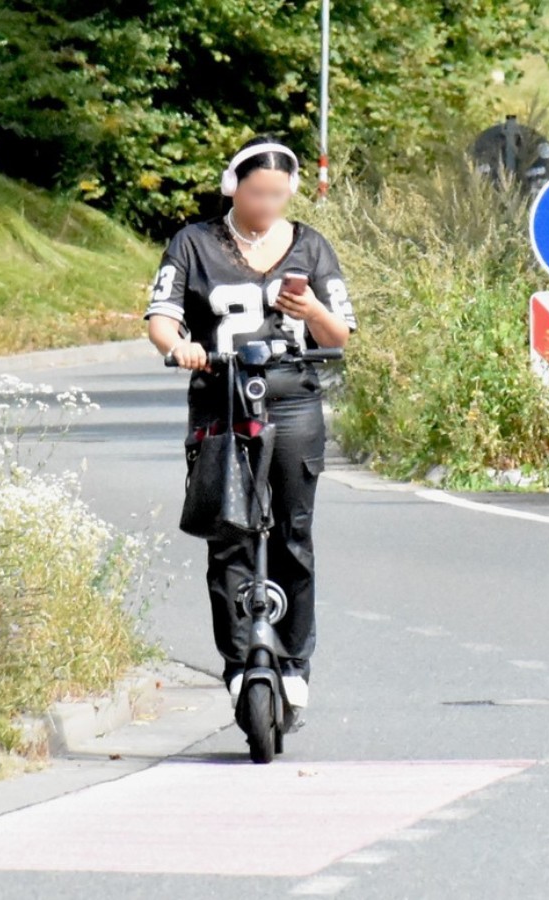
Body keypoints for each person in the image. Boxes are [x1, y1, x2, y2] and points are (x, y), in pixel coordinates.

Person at [145, 136, 358, 712]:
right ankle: (239, 660)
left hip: (291, 403)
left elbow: (339, 335)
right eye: (257, 192)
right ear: (232, 186)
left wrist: (311, 310)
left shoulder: (311, 248)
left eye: (278, 195)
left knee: (293, 534)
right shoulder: (194, 243)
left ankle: (294, 659)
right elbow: (161, 317)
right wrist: (181, 347)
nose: (267, 204)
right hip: (221, 399)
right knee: (229, 535)